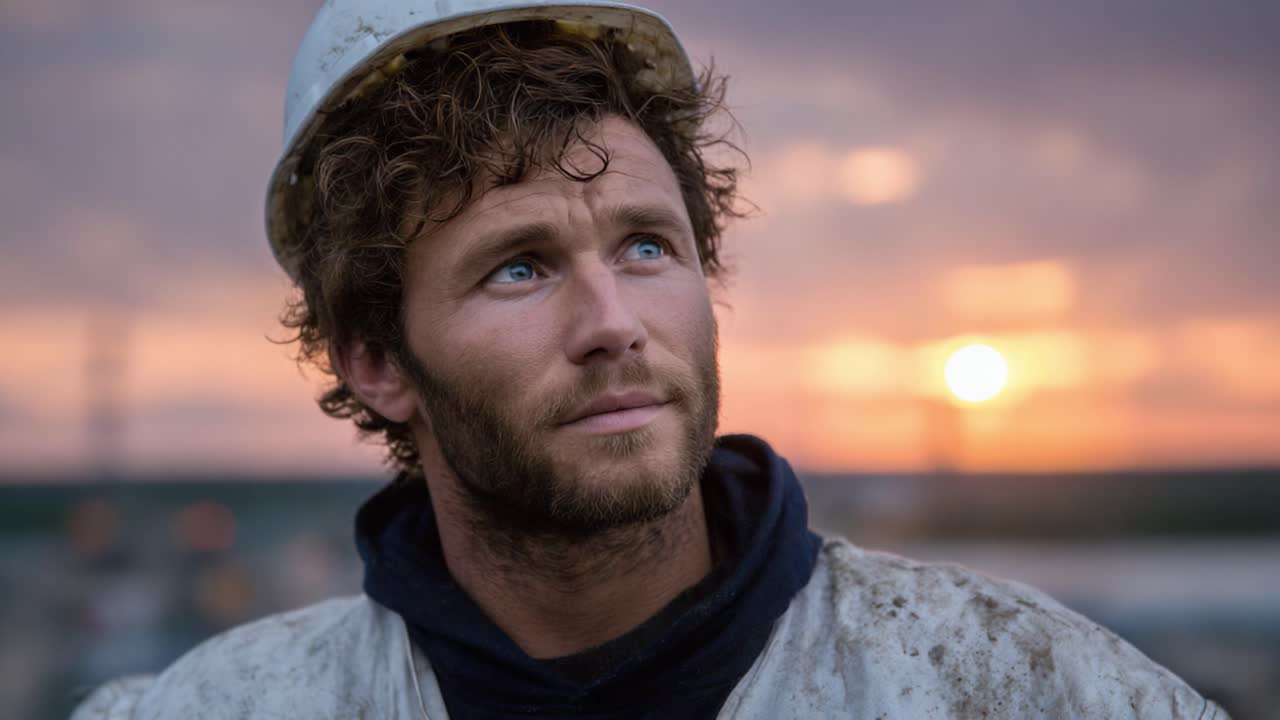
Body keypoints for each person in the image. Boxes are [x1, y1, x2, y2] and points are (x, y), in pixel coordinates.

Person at [73, 1, 1227, 718]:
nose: (612, 319)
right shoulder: (226, 707)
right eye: (517, 267)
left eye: (644, 245)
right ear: (377, 361)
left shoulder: (1017, 686)